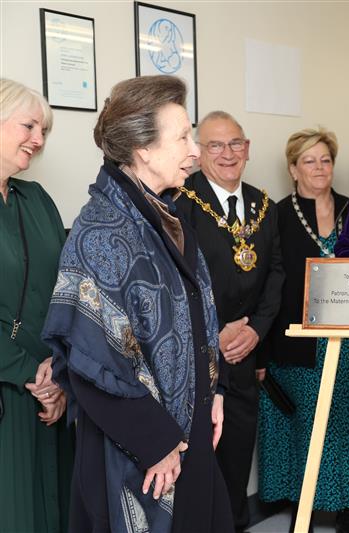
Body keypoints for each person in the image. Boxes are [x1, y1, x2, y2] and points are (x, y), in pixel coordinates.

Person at [42, 75, 234, 533]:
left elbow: (197, 315)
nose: (195, 151)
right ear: (143, 149)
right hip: (139, 450)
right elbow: (90, 362)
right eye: (184, 137)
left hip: (191, 432)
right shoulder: (100, 234)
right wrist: (157, 441)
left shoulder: (169, 214)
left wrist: (217, 390)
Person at [257, 128, 349, 533]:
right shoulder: (276, 215)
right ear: (293, 168)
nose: (319, 168)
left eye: (325, 159)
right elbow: (267, 284)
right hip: (297, 339)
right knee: (305, 426)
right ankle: (303, 506)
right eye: (309, 160)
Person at [175, 110, 285, 532]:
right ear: (199, 153)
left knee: (237, 458)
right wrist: (213, 333)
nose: (227, 153)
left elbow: (275, 273)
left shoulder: (263, 204)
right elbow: (177, 281)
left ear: (248, 149)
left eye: (235, 143)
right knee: (196, 462)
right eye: (215, 145)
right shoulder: (180, 202)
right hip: (196, 354)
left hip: (243, 353)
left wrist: (256, 329)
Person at [0, 78, 72, 533]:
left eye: (43, 129)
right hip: (10, 392)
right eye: (29, 125)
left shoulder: (38, 201)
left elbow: (70, 291)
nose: (39, 140)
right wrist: (31, 372)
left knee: (56, 511)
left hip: (52, 393)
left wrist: (60, 370)